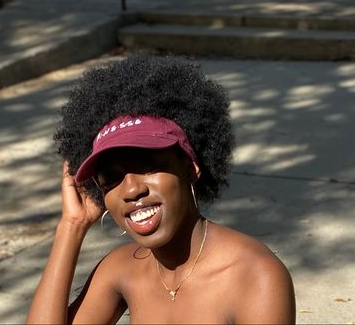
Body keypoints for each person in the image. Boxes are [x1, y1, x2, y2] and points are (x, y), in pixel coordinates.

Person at [26, 53, 295, 324]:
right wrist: (72, 226)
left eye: (148, 166)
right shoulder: (122, 268)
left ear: (191, 167)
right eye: (112, 178)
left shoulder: (254, 274)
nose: (131, 190)